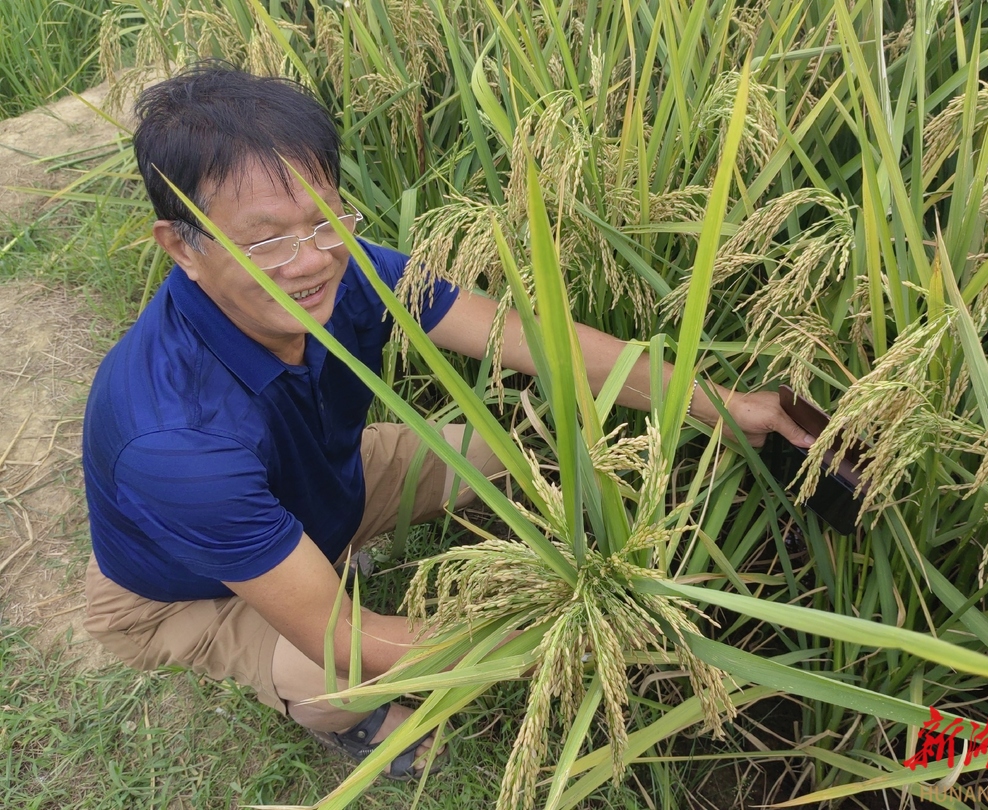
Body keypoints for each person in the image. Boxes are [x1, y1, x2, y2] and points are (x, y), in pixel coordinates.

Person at [82, 62, 813, 779]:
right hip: (187, 591)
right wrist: (564, 636)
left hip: (320, 480)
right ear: (182, 245)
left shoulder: (348, 264)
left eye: (326, 217)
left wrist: (717, 403)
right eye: (266, 239)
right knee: (338, 672)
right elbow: (348, 637)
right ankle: (344, 717)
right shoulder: (175, 442)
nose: (310, 262)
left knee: (506, 452)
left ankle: (326, 558)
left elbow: (535, 339)